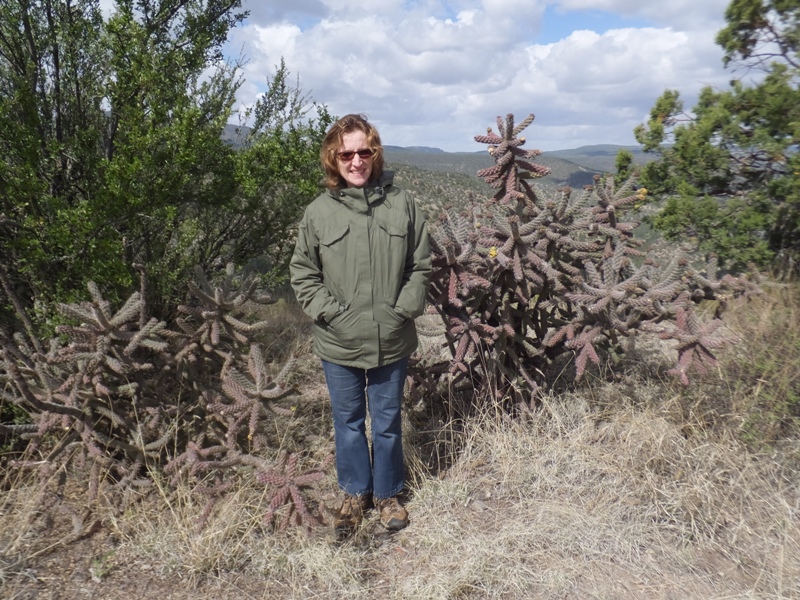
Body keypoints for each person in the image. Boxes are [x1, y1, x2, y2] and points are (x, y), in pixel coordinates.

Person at [290, 114, 431, 535]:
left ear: (375, 153)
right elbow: (303, 273)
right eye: (346, 153)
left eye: (363, 152)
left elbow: (420, 265)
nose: (356, 161)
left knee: (387, 421)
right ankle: (354, 494)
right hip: (339, 341)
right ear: (333, 159)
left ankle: (388, 495)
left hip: (391, 336)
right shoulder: (318, 213)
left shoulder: (402, 204)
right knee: (348, 421)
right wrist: (333, 314)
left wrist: (401, 309)